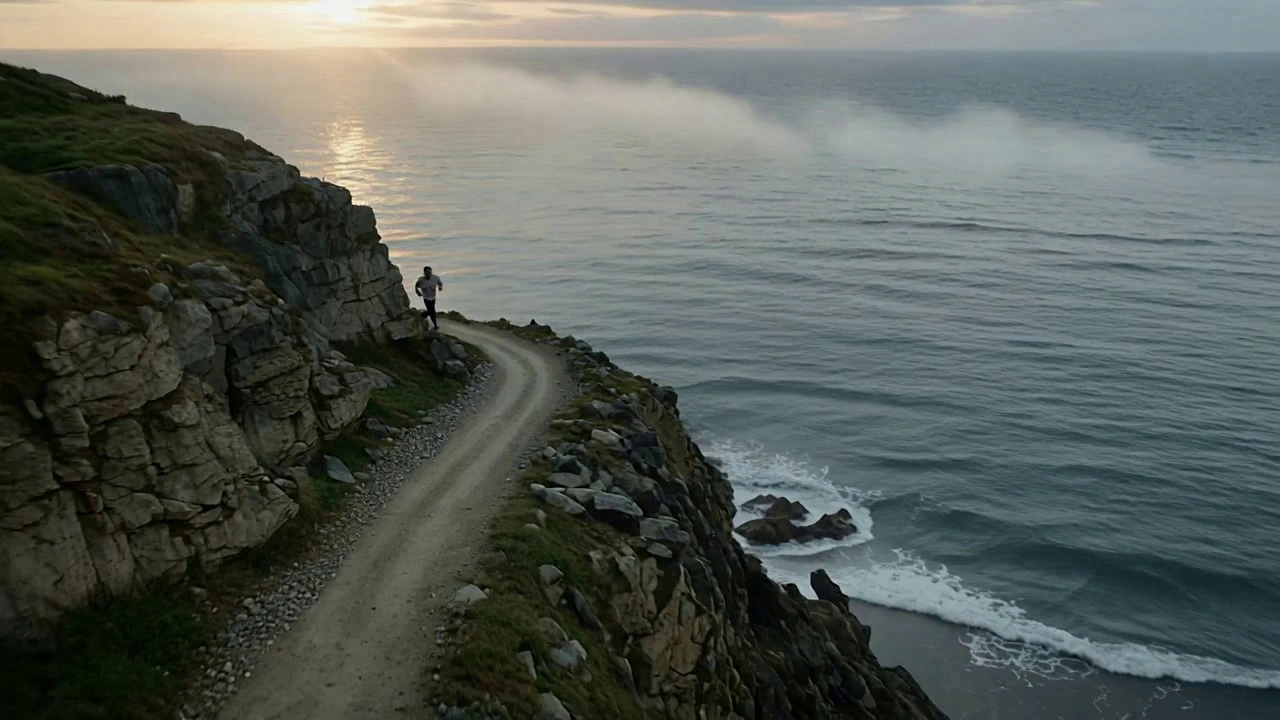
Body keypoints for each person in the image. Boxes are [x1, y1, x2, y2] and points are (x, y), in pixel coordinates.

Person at [414, 265, 444, 330]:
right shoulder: (421, 280)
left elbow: (440, 284)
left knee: (431, 310)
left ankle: (423, 314)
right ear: (424, 273)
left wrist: (440, 287)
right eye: (427, 272)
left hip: (433, 297)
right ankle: (435, 326)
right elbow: (416, 286)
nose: (429, 274)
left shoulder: (436, 278)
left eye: (430, 272)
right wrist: (417, 292)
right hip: (426, 298)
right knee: (432, 311)